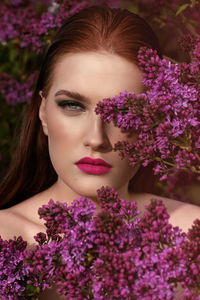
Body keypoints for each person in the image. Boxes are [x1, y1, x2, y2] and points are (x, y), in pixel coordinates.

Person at [0, 5, 200, 298]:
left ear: (154, 121)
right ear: (43, 111)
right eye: (72, 105)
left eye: (122, 114)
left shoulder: (192, 238)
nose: (96, 139)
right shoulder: (6, 240)